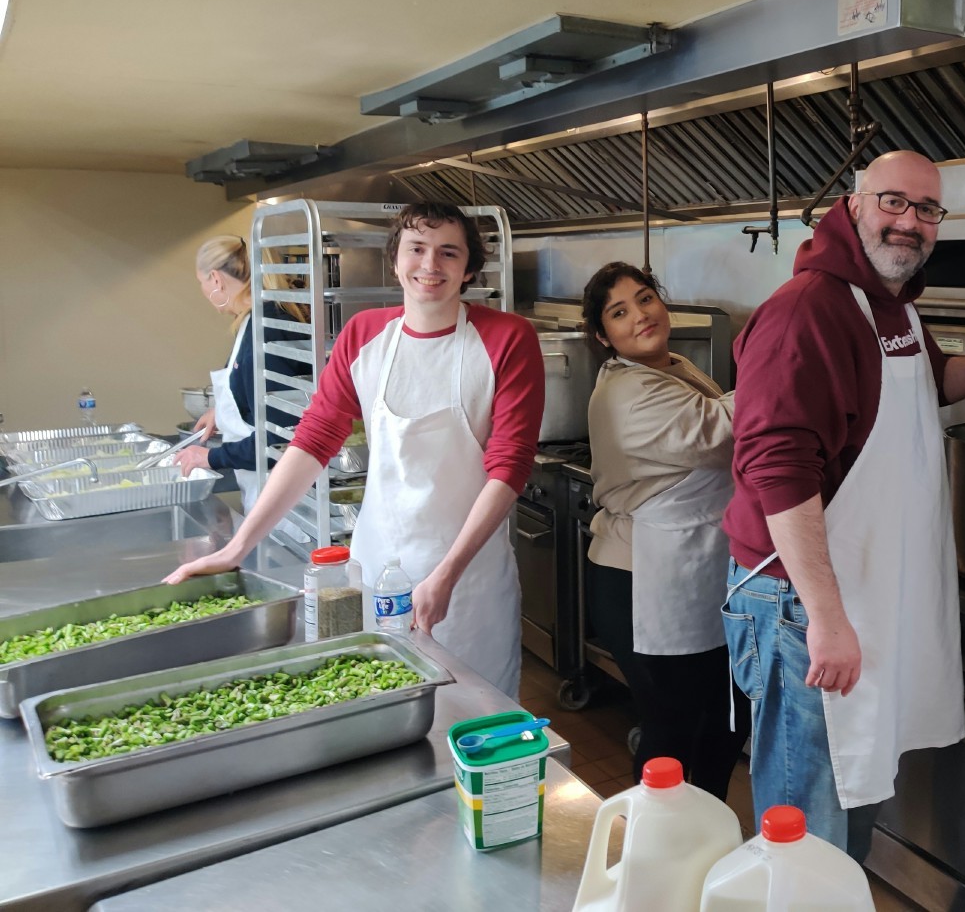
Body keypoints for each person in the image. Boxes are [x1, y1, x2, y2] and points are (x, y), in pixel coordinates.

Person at [722, 150, 965, 859]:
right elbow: (778, 469)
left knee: (848, 805)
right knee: (805, 828)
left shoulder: (886, 302)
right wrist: (828, 616)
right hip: (799, 603)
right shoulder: (807, 310)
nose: (910, 222)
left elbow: (928, 377)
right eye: (894, 202)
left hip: (856, 591)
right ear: (854, 203)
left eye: (927, 209)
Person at [168, 203, 545, 696]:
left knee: (475, 714)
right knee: (388, 709)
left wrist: (447, 573)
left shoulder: (506, 338)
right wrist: (239, 547)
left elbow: (509, 466)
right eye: (417, 249)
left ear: (469, 268)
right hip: (377, 568)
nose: (430, 265)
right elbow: (314, 440)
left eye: (448, 253)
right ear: (395, 261)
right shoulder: (365, 334)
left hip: (467, 580)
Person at [580, 261, 750, 799]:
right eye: (620, 312)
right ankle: (655, 848)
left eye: (646, 298)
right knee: (672, 730)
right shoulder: (626, 393)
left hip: (691, 570)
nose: (641, 315)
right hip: (641, 580)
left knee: (724, 715)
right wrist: (782, 362)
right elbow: (717, 431)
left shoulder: (671, 365)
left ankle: (710, 830)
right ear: (603, 337)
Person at [173, 236, 309, 511]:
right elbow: (261, 400)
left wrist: (211, 458)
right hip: (267, 492)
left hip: (287, 507)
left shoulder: (267, 330)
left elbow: (281, 439)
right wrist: (220, 413)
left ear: (215, 280)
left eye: (202, 282)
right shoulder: (257, 322)